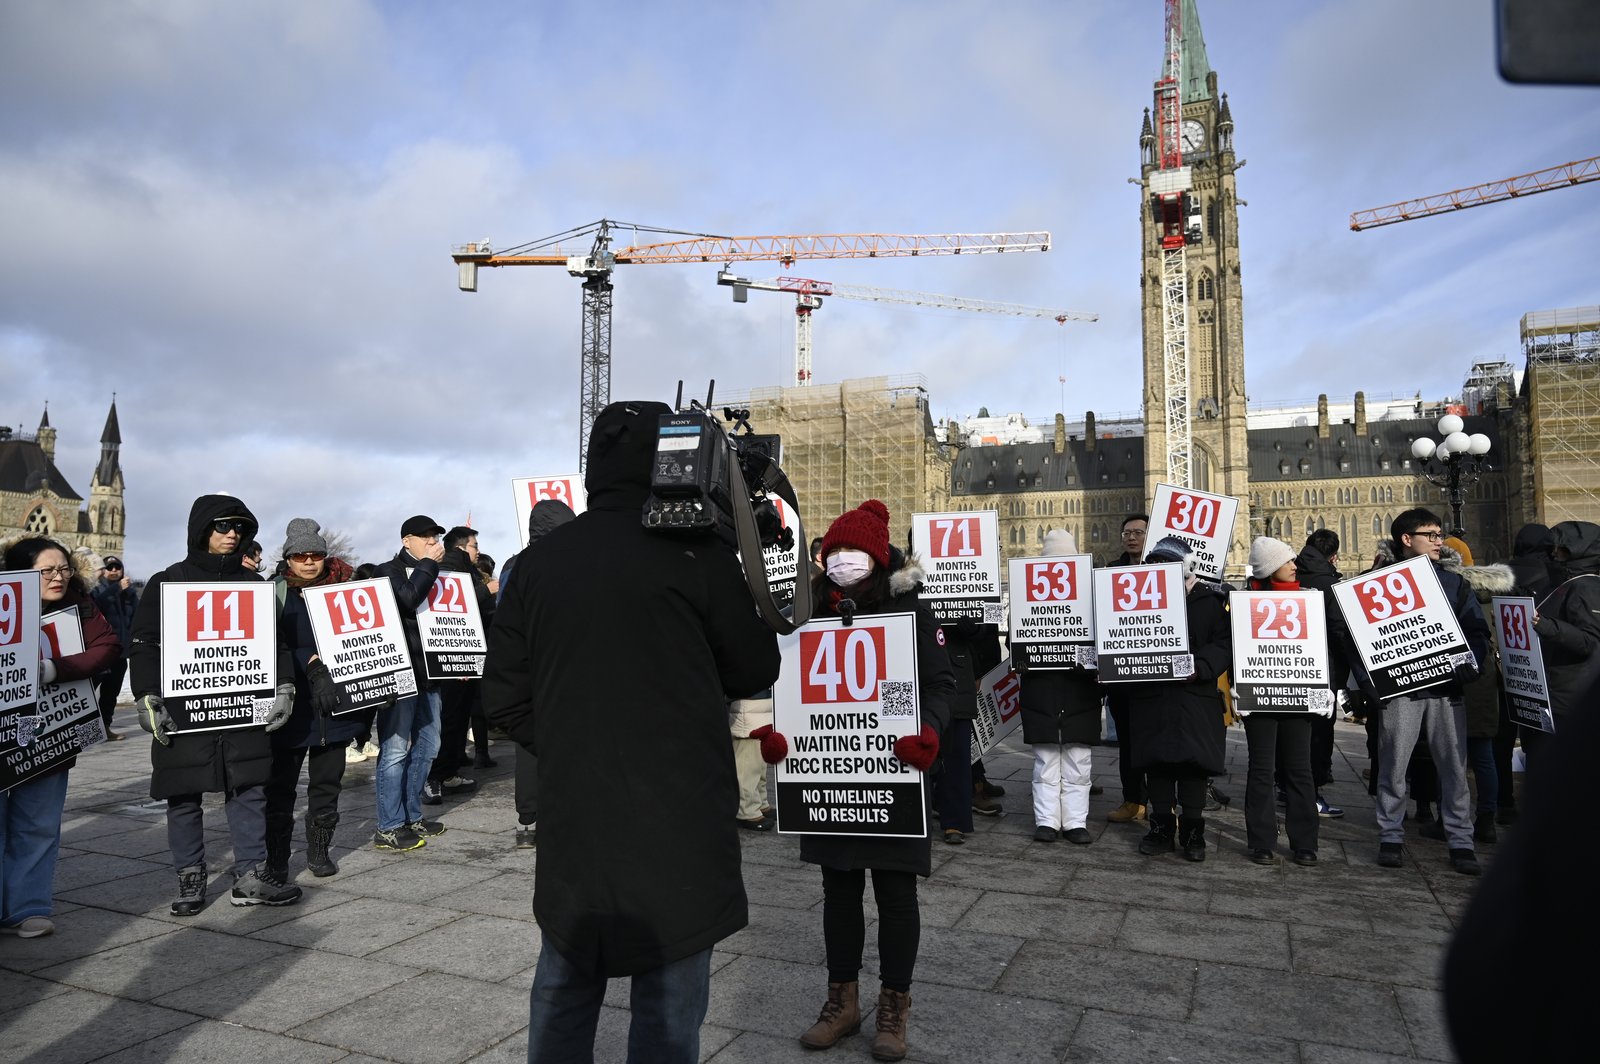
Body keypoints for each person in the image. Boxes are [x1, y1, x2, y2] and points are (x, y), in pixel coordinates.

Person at [483, 400, 780, 1064]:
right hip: (679, 808)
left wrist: (568, 743)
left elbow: (502, 698)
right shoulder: (698, 555)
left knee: (564, 983)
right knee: (671, 996)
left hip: (578, 809)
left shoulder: (535, 565)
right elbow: (757, 665)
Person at [778, 499, 955, 1061]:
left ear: (878, 559)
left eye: (853, 552)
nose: (842, 561)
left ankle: (894, 1006)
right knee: (839, 891)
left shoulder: (913, 609)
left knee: (897, 894)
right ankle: (842, 1001)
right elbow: (790, 685)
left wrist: (928, 728)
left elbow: (942, 684)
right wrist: (781, 739)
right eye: (834, 553)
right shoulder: (809, 613)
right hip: (831, 774)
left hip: (893, 774)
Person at [128, 495, 300, 913]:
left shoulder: (254, 586)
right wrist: (146, 695)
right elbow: (144, 643)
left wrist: (284, 686)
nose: (232, 535)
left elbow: (274, 644)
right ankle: (190, 880)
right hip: (185, 705)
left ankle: (250, 876)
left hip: (242, 701)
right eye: (223, 526)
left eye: (240, 528)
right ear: (201, 529)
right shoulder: (167, 581)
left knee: (249, 788)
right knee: (182, 793)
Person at [0, 536, 121, 936]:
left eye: (64, 568)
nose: (58, 577)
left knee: (38, 823)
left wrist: (52, 669)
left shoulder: (81, 605)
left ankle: (28, 907)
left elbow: (107, 647)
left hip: (52, 732)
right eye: (47, 570)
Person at [1364, 509, 1490, 876]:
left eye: (1439, 534)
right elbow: (1354, 637)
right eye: (1431, 534)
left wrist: (1473, 661)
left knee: (1453, 767)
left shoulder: (1454, 583)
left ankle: (1461, 841)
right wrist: (1368, 679)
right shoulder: (1376, 582)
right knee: (1393, 765)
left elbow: (1477, 632)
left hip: (1446, 689)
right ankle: (1390, 835)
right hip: (1400, 691)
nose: (1440, 540)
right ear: (1407, 539)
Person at [263, 519, 366, 880]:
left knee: (327, 783)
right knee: (280, 786)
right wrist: (308, 663)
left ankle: (319, 851)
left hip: (336, 704)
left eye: (316, 555)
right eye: (301, 556)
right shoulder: (272, 594)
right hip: (291, 707)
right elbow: (269, 645)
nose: (309, 562)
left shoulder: (347, 590)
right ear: (289, 558)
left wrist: (371, 699)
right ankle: (276, 858)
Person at [1126, 536, 1231, 863]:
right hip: (1153, 695)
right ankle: (1160, 828)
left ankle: (1193, 830)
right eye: (1155, 563)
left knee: (1193, 765)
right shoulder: (1140, 597)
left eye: (1165, 563)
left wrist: (1200, 667)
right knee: (1156, 762)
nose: (1159, 569)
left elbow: (1225, 643)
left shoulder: (1211, 600)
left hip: (1194, 696)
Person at [1238, 537, 1322, 866]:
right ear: (1273, 566)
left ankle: (1305, 842)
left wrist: (1323, 688)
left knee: (1299, 769)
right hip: (1260, 698)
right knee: (1261, 769)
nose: (1295, 565)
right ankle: (1262, 841)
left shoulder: (1309, 600)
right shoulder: (1247, 602)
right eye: (1288, 561)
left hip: (1297, 696)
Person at [1426, 535, 1514, 846]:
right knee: (1484, 754)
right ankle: (1486, 820)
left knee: (1448, 755)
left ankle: (1445, 818)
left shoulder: (1444, 588)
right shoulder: (1494, 592)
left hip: (1453, 676)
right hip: (1484, 678)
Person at [499, 498, 576, 849]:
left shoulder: (513, 565)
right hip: (562, 661)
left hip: (525, 663)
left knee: (528, 744)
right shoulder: (569, 560)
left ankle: (528, 820)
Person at [1017, 529, 1099, 845]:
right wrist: (1020, 659)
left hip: (1078, 691)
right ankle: (1047, 821)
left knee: (1078, 760)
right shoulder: (1027, 597)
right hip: (1043, 692)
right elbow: (1018, 637)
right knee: (1046, 761)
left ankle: (1076, 821)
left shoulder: (1090, 596)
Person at [373, 515, 448, 849]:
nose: (433, 542)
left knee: (428, 748)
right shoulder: (386, 571)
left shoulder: (437, 573)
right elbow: (407, 599)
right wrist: (430, 565)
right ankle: (389, 824)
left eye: (435, 537)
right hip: (401, 676)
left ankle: (412, 816)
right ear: (407, 541)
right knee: (394, 750)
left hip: (429, 675)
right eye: (426, 537)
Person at [1522, 521, 1600, 774]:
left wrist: (1544, 625)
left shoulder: (1585, 586)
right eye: (1554, 549)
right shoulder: (1560, 583)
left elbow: (1590, 642)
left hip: (1568, 697)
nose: (1555, 555)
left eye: (1563, 550)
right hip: (1551, 694)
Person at [427, 525, 492, 793]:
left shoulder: (464, 567)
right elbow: (456, 605)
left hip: (467, 653)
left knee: (460, 716)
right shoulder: (451, 566)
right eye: (474, 545)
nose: (478, 550)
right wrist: (489, 590)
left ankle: (449, 771)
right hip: (452, 656)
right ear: (461, 547)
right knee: (451, 717)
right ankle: (437, 776)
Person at [1292, 529, 1346, 816]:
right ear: (1333, 555)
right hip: (1322, 671)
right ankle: (1311, 793)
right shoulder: (1330, 585)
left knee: (1292, 732)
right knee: (1319, 733)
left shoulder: (1287, 576)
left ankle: (1287, 787)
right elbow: (1340, 631)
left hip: (1287, 670)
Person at [1104, 512, 1151, 824]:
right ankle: (1132, 799)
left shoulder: (1165, 570)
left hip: (1155, 677)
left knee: (1156, 742)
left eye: (1138, 532)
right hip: (1122, 677)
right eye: (1126, 533)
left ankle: (1162, 803)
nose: (1131, 537)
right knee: (1128, 743)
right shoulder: (1111, 572)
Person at [89, 554, 138, 740]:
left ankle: (105, 728)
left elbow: (135, 619)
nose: (114, 571)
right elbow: (96, 606)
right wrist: (116, 589)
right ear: (103, 571)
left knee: (110, 695)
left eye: (118, 567)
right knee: (88, 692)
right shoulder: (96, 589)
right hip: (99, 652)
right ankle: (81, 732)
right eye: (110, 568)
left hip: (119, 653)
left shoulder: (130, 593)